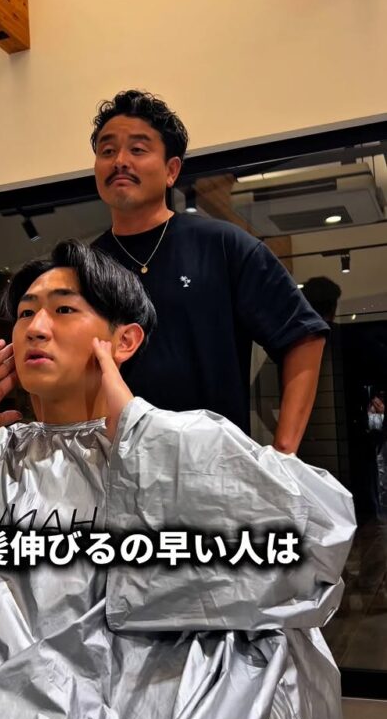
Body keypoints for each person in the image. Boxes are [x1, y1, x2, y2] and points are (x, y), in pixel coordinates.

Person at [0, 241, 355, 719]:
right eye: (25, 313)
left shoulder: (176, 444)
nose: (35, 327)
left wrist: (139, 432)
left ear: (124, 341)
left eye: (63, 309)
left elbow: (316, 537)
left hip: (127, 716)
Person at [90, 89, 329, 453]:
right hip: (111, 465)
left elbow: (303, 335)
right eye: (107, 151)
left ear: (171, 170)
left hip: (213, 466)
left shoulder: (224, 245)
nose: (120, 161)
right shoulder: (82, 267)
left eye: (137, 149)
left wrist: (284, 452)